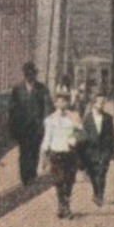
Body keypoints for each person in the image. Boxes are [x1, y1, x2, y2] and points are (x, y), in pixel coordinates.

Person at [39, 90, 84, 218]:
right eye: (59, 101)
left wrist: (75, 138)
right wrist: (44, 157)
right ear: (55, 103)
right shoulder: (50, 120)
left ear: (69, 102)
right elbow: (47, 138)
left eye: (65, 101)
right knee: (59, 180)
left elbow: (82, 132)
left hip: (70, 153)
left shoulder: (75, 117)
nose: (62, 104)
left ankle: (66, 205)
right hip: (56, 153)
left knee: (69, 180)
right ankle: (62, 204)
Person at [8, 62, 51, 186]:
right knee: (23, 153)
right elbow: (12, 110)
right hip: (22, 129)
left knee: (34, 152)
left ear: (35, 75)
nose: (30, 77)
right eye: (28, 74)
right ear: (24, 75)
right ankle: (25, 178)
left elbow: (48, 107)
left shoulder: (42, 88)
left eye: (32, 74)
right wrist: (12, 130)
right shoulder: (17, 89)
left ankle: (32, 176)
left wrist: (46, 125)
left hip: (37, 129)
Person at [78, 92, 114, 207]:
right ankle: (96, 192)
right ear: (94, 103)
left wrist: (113, 152)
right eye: (100, 102)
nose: (102, 104)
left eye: (103, 102)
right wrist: (81, 154)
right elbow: (83, 136)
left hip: (104, 149)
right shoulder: (87, 118)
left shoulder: (108, 118)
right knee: (93, 174)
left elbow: (112, 135)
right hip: (90, 151)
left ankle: (100, 195)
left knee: (102, 173)